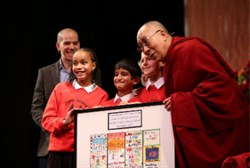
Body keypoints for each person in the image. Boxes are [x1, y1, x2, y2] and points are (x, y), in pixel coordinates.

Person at [136, 20, 249, 168]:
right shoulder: (171, 60)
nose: (145, 50)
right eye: (140, 47)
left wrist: (182, 101)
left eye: (146, 41)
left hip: (224, 131)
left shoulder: (190, 48)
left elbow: (222, 87)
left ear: (163, 34)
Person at [42, 48, 108, 168]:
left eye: (83, 62)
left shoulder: (102, 95)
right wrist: (64, 122)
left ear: (93, 66)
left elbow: (101, 131)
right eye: (75, 63)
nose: (78, 67)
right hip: (58, 154)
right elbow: (46, 121)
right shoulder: (60, 89)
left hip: (85, 154)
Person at [30, 28, 80, 168]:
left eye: (75, 43)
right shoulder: (45, 73)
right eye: (67, 43)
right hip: (50, 146)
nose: (71, 47)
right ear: (58, 46)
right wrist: (51, 126)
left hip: (80, 145)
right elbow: (36, 108)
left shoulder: (92, 72)